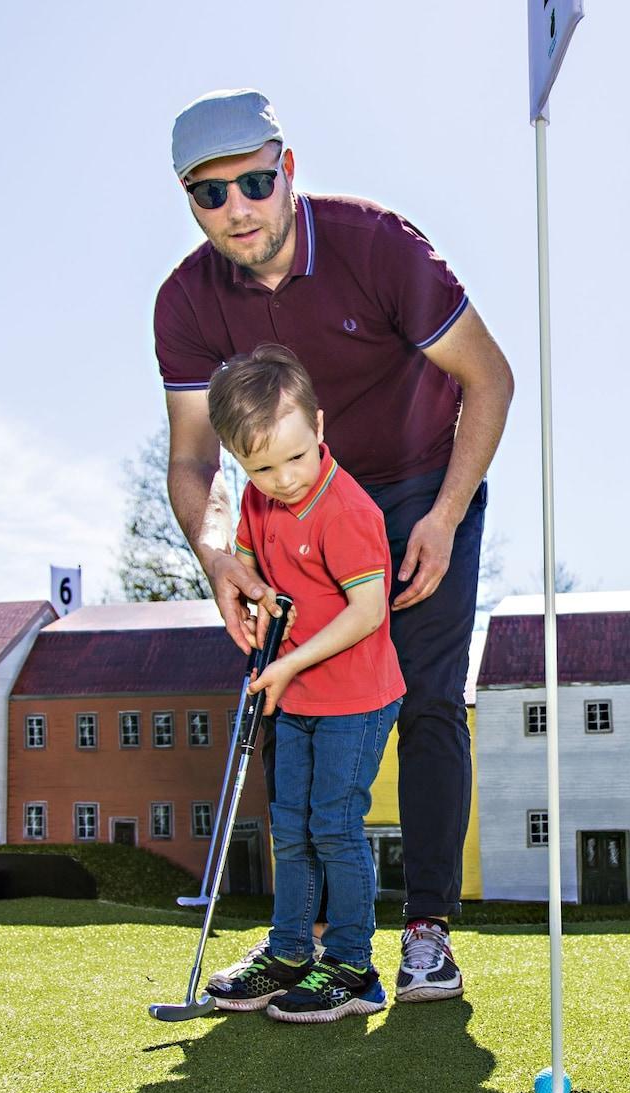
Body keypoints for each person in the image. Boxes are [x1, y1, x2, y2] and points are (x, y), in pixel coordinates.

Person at [155, 89, 513, 1004]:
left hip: (423, 489)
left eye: (254, 182)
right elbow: (193, 457)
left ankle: (426, 930)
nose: (237, 208)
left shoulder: (377, 244)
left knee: (428, 700)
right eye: (209, 193)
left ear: (287, 168)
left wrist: (445, 514)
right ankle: (300, 940)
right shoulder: (186, 300)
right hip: (287, 510)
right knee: (293, 700)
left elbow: (490, 377)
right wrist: (215, 554)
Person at [198, 345, 405, 1023]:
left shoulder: (345, 510)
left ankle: (353, 967)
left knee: (333, 827)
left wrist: (285, 663)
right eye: (261, 466)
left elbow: (369, 611)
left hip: (357, 697)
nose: (283, 478)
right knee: (289, 827)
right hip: (297, 695)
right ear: (239, 461)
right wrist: (254, 599)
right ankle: (289, 952)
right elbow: (255, 562)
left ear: (318, 426)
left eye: (295, 456)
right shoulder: (257, 500)